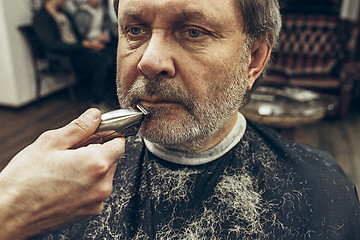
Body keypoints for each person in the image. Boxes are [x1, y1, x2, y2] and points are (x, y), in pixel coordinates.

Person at [1, 0, 359, 239]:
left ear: (254, 59)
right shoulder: (49, 192)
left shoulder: (321, 191)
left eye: (193, 31)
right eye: (135, 30)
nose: (148, 61)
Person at [33, 0, 114, 109]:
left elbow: (78, 36)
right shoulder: (41, 17)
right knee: (101, 63)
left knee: (110, 55)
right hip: (64, 57)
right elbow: (51, 44)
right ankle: (97, 102)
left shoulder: (64, 13)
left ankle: (114, 97)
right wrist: (83, 45)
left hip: (77, 50)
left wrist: (90, 43)